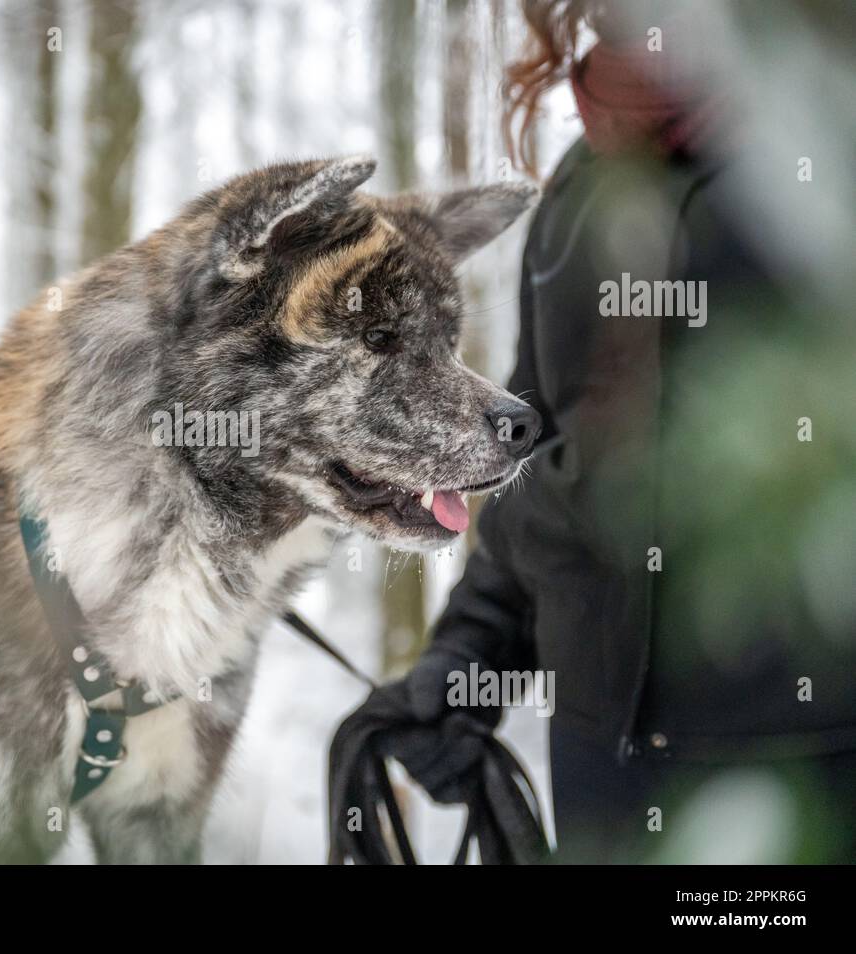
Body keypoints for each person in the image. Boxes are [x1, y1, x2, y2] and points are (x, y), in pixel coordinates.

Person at [329, 0, 856, 864]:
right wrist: (468, 660)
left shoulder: (823, 154)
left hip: (802, 772)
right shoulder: (581, 187)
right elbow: (542, 464)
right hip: (603, 768)